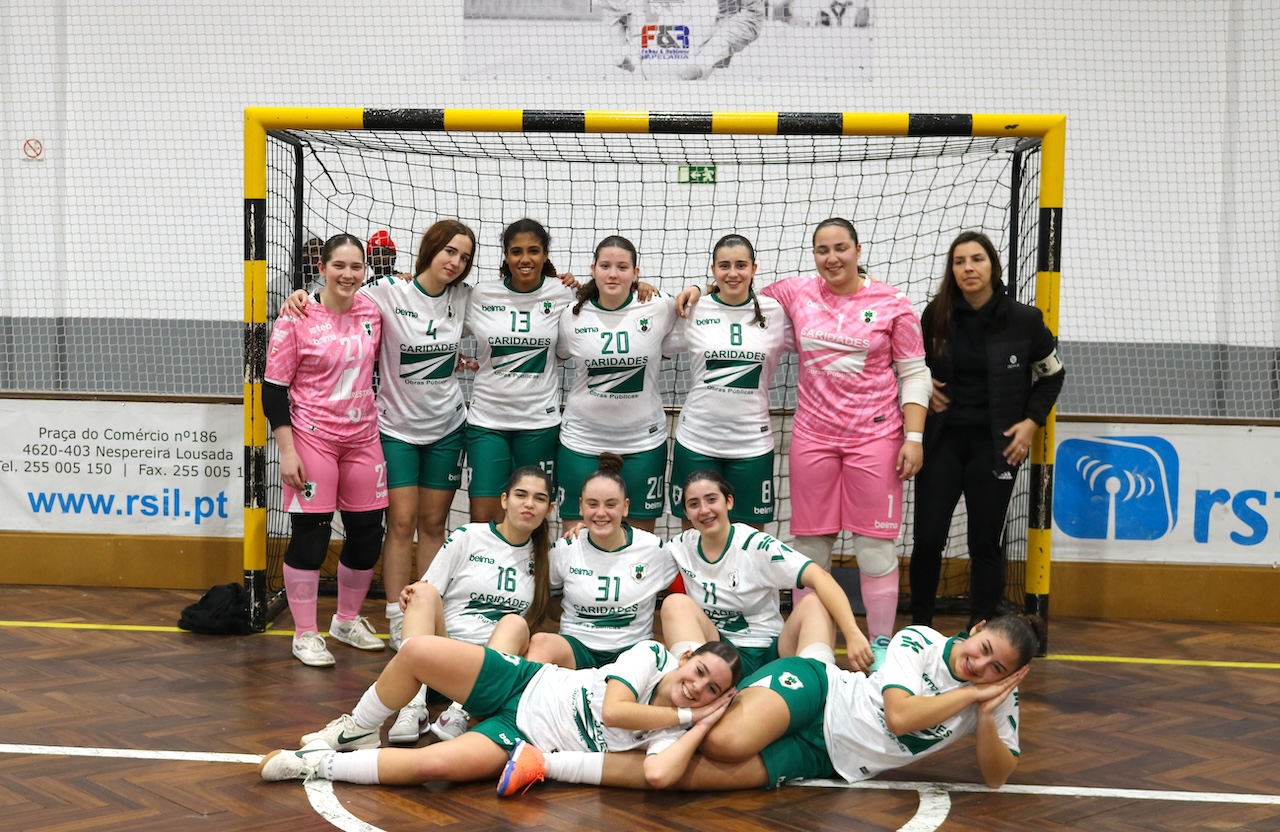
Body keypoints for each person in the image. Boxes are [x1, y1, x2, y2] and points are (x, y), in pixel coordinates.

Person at [680, 218, 933, 669]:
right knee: (809, 548)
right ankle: (807, 646)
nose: (832, 258)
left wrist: (914, 436)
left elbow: (915, 373)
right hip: (813, 436)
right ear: (814, 255)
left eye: (840, 248)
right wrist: (699, 288)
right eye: (822, 250)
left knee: (874, 547)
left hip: (875, 436)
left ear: (857, 249)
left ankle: (880, 647)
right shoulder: (795, 293)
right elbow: (734, 288)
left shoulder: (893, 302)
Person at [498, 612, 1043, 794]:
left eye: (996, 669)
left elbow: (996, 777)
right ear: (974, 630)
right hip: (819, 691)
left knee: (689, 778)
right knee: (725, 740)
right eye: (982, 649)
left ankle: (548, 763)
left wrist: (990, 715)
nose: (980, 667)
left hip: (829, 758)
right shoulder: (921, 641)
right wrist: (972, 694)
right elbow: (900, 717)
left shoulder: (995, 699)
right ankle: (704, 688)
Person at [284, 220, 477, 649]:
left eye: (464, 256)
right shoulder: (385, 292)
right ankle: (394, 614)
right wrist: (301, 296)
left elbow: (517, 300)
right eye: (448, 251)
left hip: (447, 426)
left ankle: (424, 612)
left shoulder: (465, 297)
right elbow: (337, 295)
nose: (455, 261)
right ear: (430, 249)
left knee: (433, 525)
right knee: (400, 523)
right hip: (392, 428)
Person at [257, 636, 742, 789]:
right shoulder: (653, 656)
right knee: (419, 651)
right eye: (699, 671)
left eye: (712, 690)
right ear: (685, 659)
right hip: (527, 680)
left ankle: (314, 765)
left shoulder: (673, 735)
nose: (697, 687)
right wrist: (687, 719)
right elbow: (616, 712)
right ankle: (358, 729)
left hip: (520, 737)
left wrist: (700, 726)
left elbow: (658, 776)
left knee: (434, 766)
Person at [909, 231, 1065, 628]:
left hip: (996, 447)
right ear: (952, 271)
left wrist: (1030, 424)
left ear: (993, 266)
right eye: (959, 262)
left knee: (984, 542)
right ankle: (920, 629)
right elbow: (910, 368)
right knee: (927, 539)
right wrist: (926, 390)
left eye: (976, 259)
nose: (968, 268)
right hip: (941, 442)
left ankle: (980, 628)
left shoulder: (1025, 320)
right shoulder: (934, 315)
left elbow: (1052, 375)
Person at [263, 233, 389, 667]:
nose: (348, 274)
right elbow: (274, 390)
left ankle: (346, 620)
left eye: (357, 267)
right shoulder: (295, 318)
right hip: (312, 437)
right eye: (340, 266)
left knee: (368, 534)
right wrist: (288, 450)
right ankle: (304, 633)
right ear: (322, 268)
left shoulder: (372, 309)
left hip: (363, 437)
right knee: (312, 537)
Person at [384, 466, 555, 746]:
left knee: (515, 623)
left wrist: (581, 532)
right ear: (504, 500)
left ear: (549, 509)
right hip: (445, 653)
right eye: (521, 495)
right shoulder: (469, 536)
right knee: (423, 592)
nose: (529, 504)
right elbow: (425, 593)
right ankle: (413, 707)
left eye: (539, 498)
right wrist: (411, 595)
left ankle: (460, 713)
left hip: (490, 668)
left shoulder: (550, 556)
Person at [663, 468, 874, 677]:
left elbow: (820, 577)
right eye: (694, 504)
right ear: (687, 513)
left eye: (711, 499)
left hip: (771, 651)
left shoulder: (756, 545)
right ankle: (693, 684)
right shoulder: (681, 547)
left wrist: (852, 633)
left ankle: (818, 686)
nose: (704, 510)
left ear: (729, 502)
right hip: (720, 654)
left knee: (816, 603)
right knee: (675, 604)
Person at [556, 235, 679, 533]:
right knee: (576, 534)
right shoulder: (570, 316)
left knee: (639, 541)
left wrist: (700, 287)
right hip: (581, 441)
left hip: (642, 442)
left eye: (623, 267)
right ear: (593, 269)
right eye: (606, 266)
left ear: (636, 274)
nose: (613, 274)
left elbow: (698, 308)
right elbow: (556, 355)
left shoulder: (660, 307)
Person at [665, 234, 788, 529]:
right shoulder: (694, 309)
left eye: (741, 265)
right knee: (695, 534)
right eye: (724, 265)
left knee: (749, 540)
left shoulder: (774, 312)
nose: (733, 273)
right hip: (697, 441)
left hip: (751, 445)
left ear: (754, 269)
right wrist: (695, 289)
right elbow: (657, 339)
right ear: (713, 269)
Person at [519, 453, 679, 678]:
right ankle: (517, 705)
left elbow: (689, 583)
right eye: (593, 504)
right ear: (581, 507)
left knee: (657, 657)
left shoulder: (653, 549)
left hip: (631, 649)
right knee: (540, 643)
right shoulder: (566, 548)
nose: (601, 513)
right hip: (578, 646)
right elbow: (546, 600)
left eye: (610, 504)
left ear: (625, 507)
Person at [463, 219, 575, 524]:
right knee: (484, 520)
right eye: (516, 252)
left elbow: (565, 352)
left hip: (539, 423)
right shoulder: (482, 295)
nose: (525, 259)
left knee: (532, 518)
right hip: (487, 423)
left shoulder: (563, 294)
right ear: (505, 255)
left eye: (533, 251)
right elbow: (440, 323)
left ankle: (532, 573)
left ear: (545, 254)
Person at [679, 0, 766, 80]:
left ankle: (695, 72)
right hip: (728, 17)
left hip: (750, 20)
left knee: (706, 55)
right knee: (701, 50)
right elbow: (727, 11)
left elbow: (749, 12)